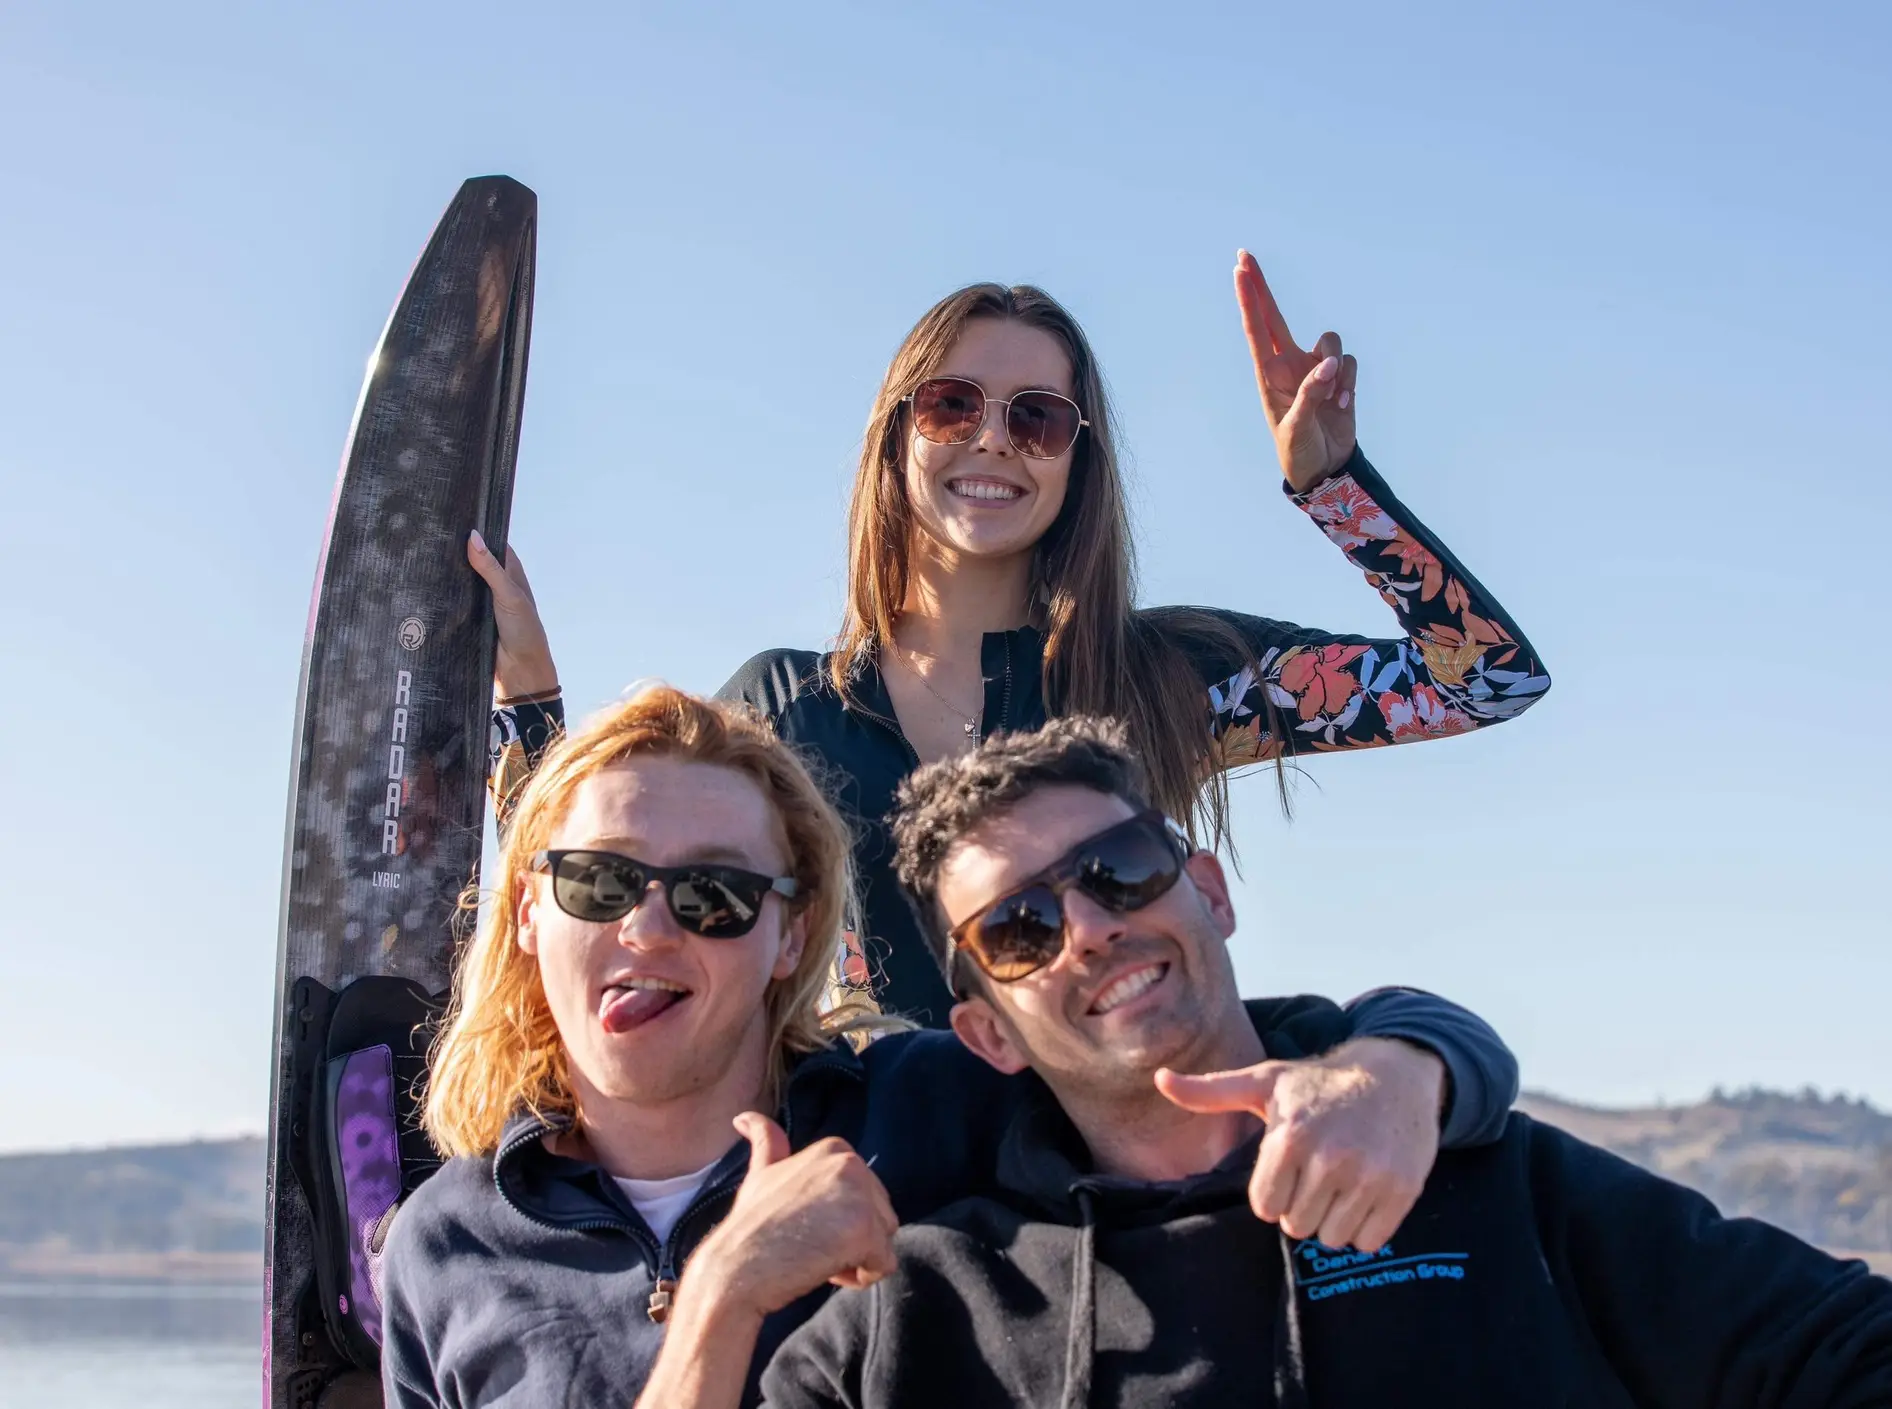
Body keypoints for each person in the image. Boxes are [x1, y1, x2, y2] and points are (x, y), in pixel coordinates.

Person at [655, 717, 1892, 1409]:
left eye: (1119, 870)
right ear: (987, 1030)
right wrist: (717, 1289)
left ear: (1211, 890)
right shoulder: (927, 1316)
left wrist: (1414, 1073)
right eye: (1019, 925)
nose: (1092, 927)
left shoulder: (1493, 1193)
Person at [471, 253, 1551, 1022]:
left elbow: (1486, 680)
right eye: (951, 405)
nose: (992, 438)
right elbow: (601, 891)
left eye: (1035, 417)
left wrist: (1333, 487)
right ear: (897, 438)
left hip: (1094, 1211)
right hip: (853, 1219)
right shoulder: (778, 709)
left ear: (1075, 458)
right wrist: (526, 698)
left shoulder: (1167, 679)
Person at [378, 686, 1521, 1409]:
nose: (649, 922)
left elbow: (1244, 1042)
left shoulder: (927, 1105)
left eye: (715, 893)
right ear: (528, 913)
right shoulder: (446, 1246)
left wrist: (1402, 1073)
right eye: (600, 879)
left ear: (789, 936)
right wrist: (723, 1291)